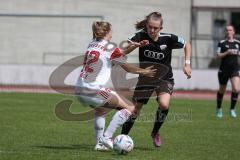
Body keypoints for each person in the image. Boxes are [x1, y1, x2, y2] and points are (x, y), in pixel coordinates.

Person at [75, 21, 156, 150]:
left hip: (79, 89)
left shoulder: (92, 44)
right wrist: (144, 71)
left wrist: (135, 46)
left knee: (101, 110)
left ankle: (100, 144)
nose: (112, 33)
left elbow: (116, 56)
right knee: (130, 108)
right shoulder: (109, 47)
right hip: (93, 90)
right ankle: (107, 137)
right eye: (111, 30)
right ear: (107, 32)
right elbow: (126, 67)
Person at [121, 12, 192, 147]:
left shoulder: (168, 38)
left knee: (164, 104)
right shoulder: (140, 36)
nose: (152, 30)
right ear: (146, 25)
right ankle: (123, 137)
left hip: (164, 78)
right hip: (145, 78)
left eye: (155, 28)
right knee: (135, 109)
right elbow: (123, 51)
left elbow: (187, 44)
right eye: (150, 27)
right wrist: (137, 45)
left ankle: (155, 132)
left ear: (161, 28)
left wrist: (187, 63)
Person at [215, 25, 240, 118]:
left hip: (235, 69)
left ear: (233, 32)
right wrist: (227, 52)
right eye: (227, 30)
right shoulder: (222, 43)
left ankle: (232, 109)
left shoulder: (238, 43)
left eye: (230, 30)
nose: (228, 31)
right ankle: (219, 108)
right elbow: (218, 55)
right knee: (222, 90)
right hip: (223, 70)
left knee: (236, 89)